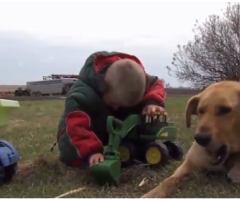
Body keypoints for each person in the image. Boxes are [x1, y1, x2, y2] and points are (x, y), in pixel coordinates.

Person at [56, 51, 166, 168]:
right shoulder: (81, 96)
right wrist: (92, 151)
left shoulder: (137, 78)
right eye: (113, 103)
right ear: (104, 86)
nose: (116, 108)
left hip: (112, 126)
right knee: (70, 146)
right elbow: (76, 127)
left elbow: (156, 84)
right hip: (82, 128)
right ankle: (84, 156)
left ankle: (134, 147)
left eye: (121, 106)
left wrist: (152, 102)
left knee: (138, 119)